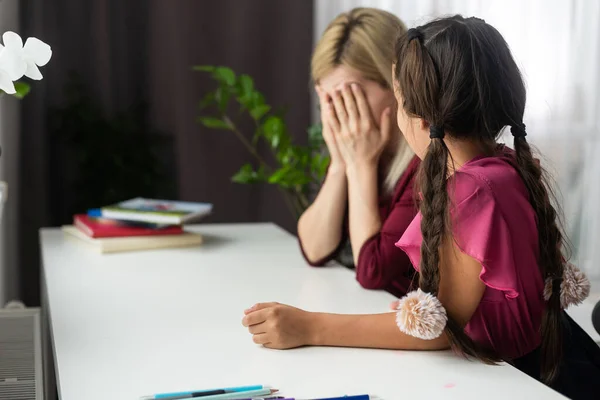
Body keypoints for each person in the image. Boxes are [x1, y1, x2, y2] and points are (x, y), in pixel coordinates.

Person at [243, 15, 600, 399]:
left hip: (518, 380)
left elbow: (445, 325)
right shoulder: (506, 166)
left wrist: (310, 327)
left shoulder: (470, 191)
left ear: (420, 117)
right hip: (551, 360)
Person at [298, 7, 420, 297]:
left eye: (351, 96)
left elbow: (374, 271)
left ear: (397, 85)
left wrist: (361, 165)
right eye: (330, 99)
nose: (342, 113)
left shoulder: (427, 161)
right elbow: (315, 250)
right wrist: (340, 164)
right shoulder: (360, 148)